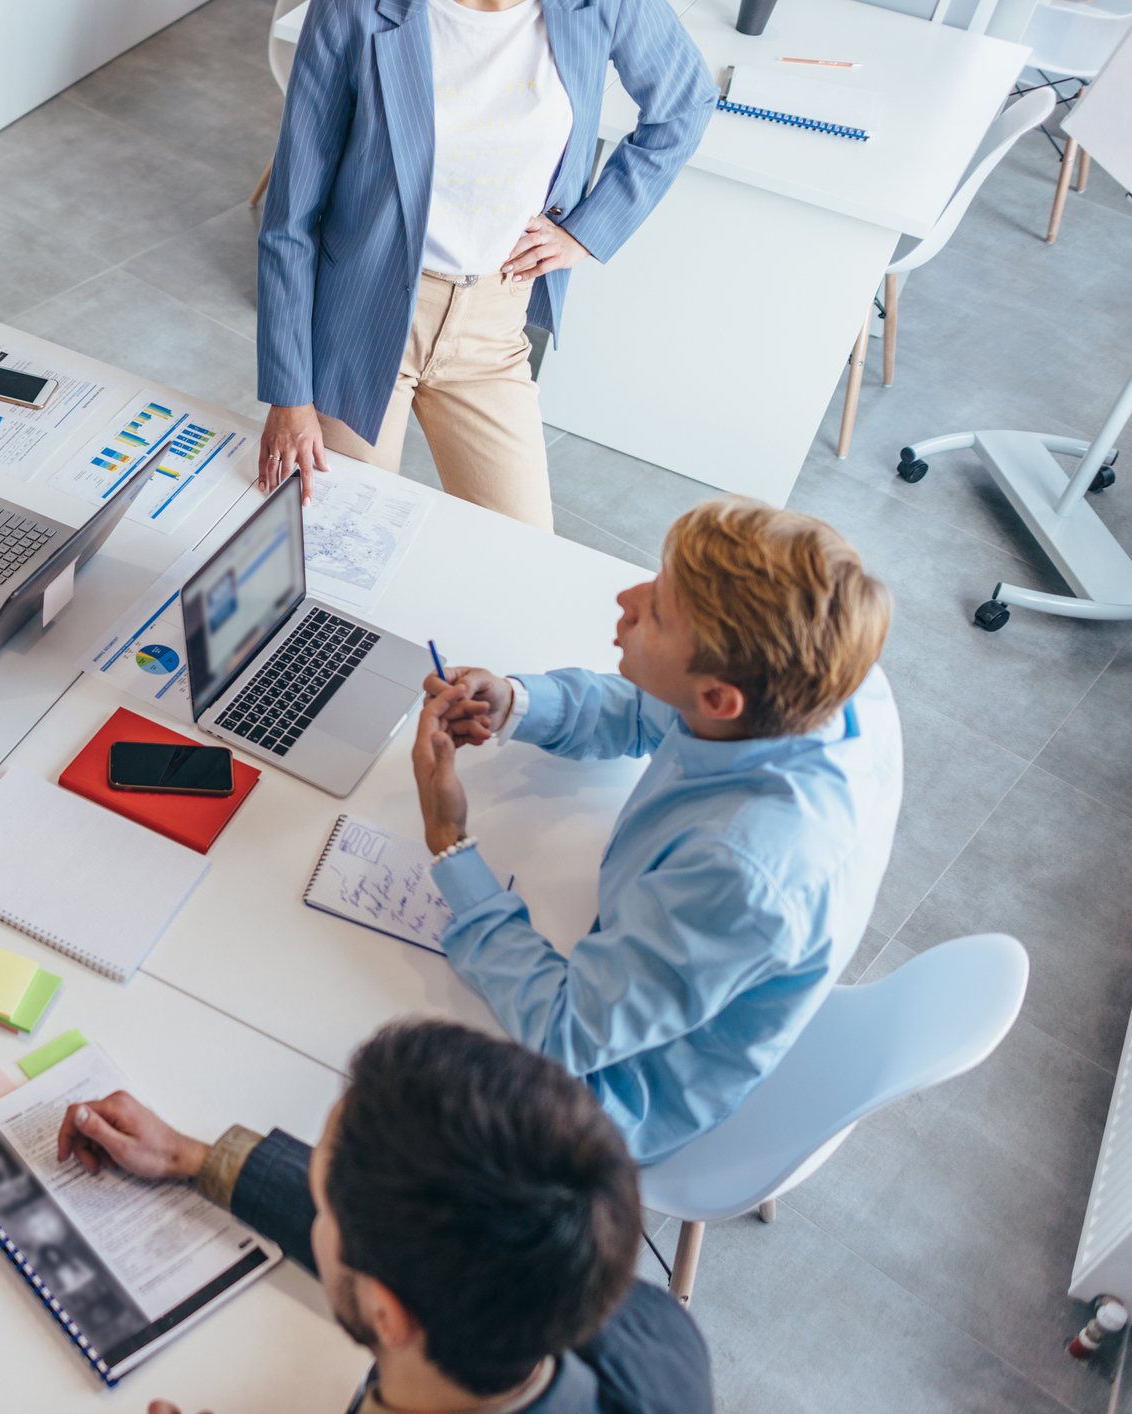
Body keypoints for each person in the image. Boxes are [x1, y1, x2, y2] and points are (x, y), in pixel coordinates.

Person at [415, 498, 900, 1163]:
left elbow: (563, 1030)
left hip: (623, 1090)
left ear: (719, 698)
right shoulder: (828, 677)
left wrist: (448, 839)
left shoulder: (741, 872)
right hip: (666, 965)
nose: (627, 596)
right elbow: (655, 712)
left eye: (658, 612)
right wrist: (515, 703)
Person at [56, 1020, 713, 1414]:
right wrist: (191, 1156)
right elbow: (433, 1242)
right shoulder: (647, 1323)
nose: (318, 1209)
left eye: (327, 1207)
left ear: (389, 1315)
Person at [256, 0, 716, 529]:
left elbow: (686, 103)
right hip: (362, 320)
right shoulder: (354, 7)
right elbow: (291, 218)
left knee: (524, 558)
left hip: (492, 329)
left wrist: (588, 231)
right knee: (330, 543)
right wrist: (290, 398)